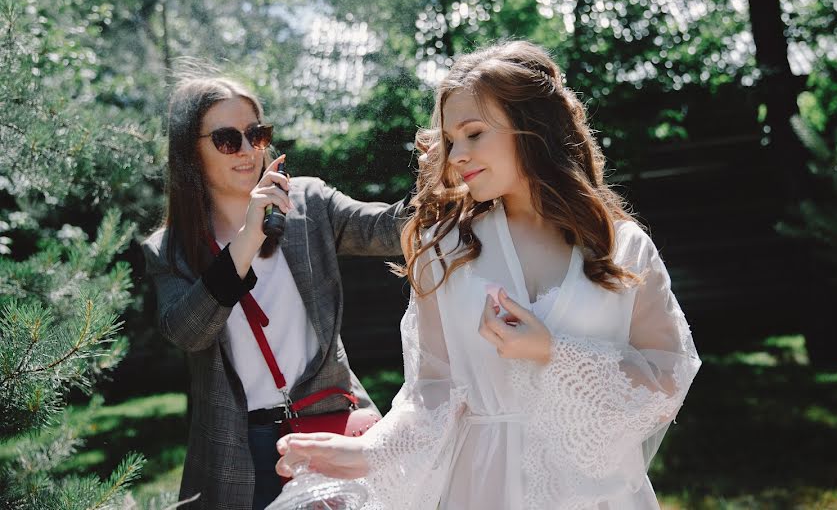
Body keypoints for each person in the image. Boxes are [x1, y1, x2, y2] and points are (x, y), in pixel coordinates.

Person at [274, 41, 702, 510]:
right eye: (451, 140)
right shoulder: (444, 249)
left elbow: (669, 379)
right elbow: (431, 399)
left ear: (532, 128)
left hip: (597, 495)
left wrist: (554, 354)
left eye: (473, 133)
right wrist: (366, 452)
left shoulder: (623, 248)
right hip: (482, 490)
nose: (456, 154)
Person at [142, 70, 409, 510]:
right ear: (192, 150)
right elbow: (188, 333)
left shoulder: (308, 203)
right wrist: (248, 237)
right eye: (228, 139)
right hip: (239, 445)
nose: (248, 151)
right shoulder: (169, 250)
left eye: (256, 134)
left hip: (329, 423)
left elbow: (389, 229)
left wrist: (448, 170)